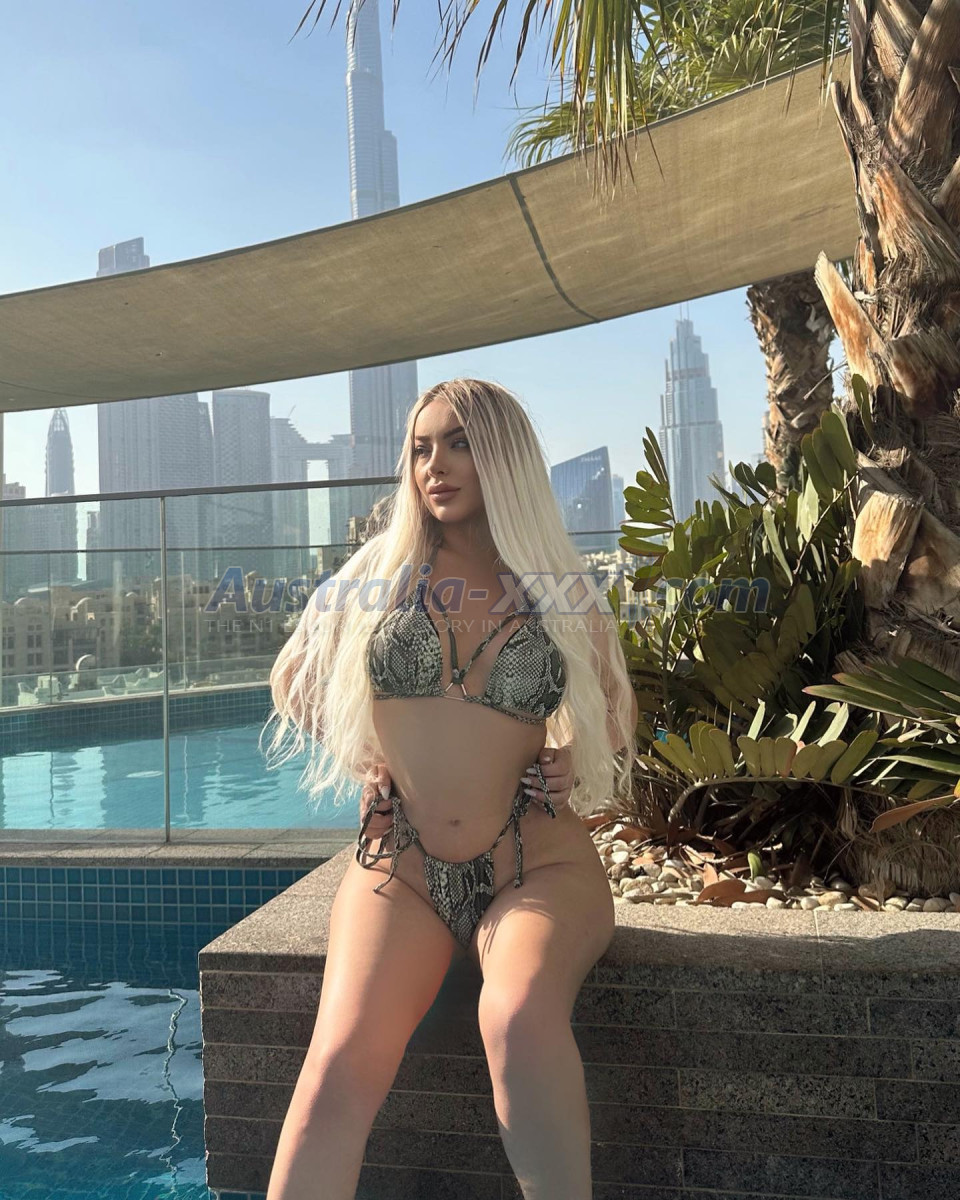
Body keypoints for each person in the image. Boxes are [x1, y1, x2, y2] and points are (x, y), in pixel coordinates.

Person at [263, 378, 638, 1199]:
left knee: (517, 1017)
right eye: (421, 448)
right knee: (337, 1061)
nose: (435, 465)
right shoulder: (380, 574)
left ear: (503, 456)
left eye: (459, 443)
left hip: (536, 867)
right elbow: (291, 679)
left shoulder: (557, 582)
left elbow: (615, 711)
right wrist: (365, 756)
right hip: (401, 870)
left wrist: (573, 758)